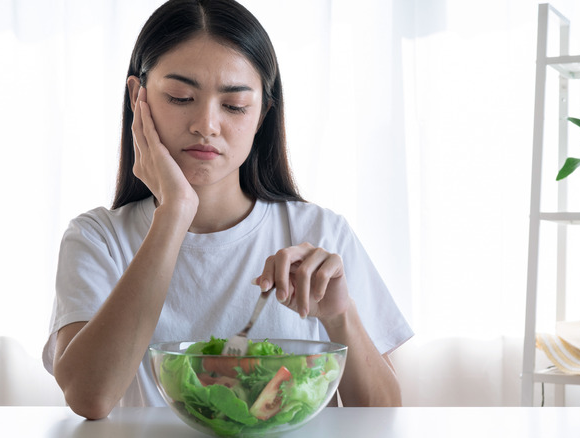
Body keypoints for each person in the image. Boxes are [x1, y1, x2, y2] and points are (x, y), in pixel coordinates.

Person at [42, 0, 413, 420]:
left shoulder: (319, 232)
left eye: (234, 105)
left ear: (262, 115)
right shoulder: (98, 238)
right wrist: (175, 211)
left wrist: (340, 317)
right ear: (137, 97)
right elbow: (90, 396)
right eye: (181, 97)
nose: (207, 124)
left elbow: (384, 415)